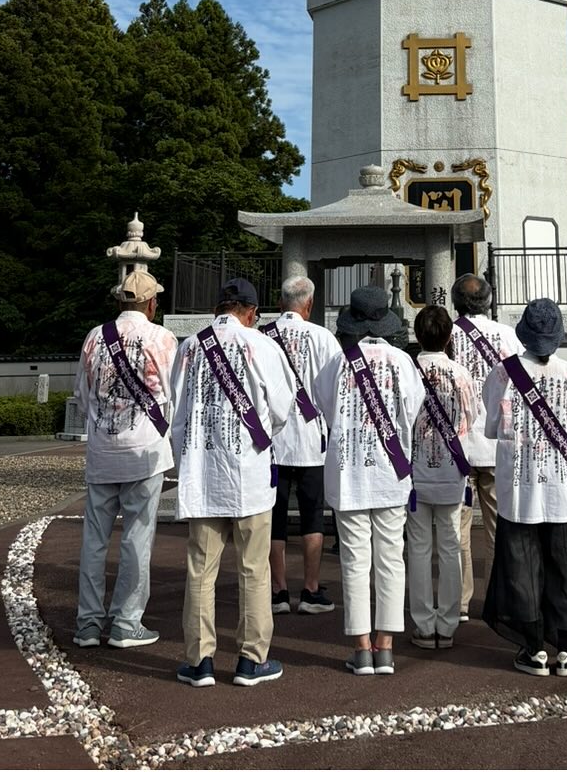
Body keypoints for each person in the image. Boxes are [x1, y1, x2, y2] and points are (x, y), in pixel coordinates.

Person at [169, 277, 294, 688]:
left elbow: (177, 410)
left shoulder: (190, 347)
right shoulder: (262, 346)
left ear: (219, 307)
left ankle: (200, 660)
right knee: (253, 569)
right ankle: (250, 660)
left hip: (202, 474)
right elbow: (281, 408)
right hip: (249, 475)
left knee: (201, 570)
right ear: (252, 312)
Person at [311, 286, 424, 677]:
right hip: (390, 472)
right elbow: (412, 411)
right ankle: (387, 646)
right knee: (391, 558)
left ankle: (361, 648)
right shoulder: (403, 362)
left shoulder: (336, 364)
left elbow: (323, 408)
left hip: (348, 473)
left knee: (354, 560)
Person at [481, 298, 567, 678]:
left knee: (521, 563)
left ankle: (533, 646)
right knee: (563, 564)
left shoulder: (502, 373)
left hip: (518, 481)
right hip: (558, 481)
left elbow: (492, 425)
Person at [71, 267, 177, 649]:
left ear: (119, 300)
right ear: (151, 303)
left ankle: (87, 622)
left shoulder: (95, 338)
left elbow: (82, 395)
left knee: (94, 539)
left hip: (102, 449)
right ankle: (126, 621)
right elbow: (173, 396)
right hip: (144, 451)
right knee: (136, 538)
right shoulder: (162, 338)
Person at [447, 273, 522, 622]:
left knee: (457, 529)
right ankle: (497, 596)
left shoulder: (447, 335)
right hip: (497, 444)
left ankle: (458, 602)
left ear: (455, 302)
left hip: (459, 445)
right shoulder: (508, 336)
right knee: (498, 526)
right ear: (489, 302)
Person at [262, 276, 339, 617]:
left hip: (271, 444)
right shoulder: (323, 337)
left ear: (280, 303)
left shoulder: (261, 337)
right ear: (308, 305)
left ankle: (278, 591)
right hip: (311, 442)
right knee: (312, 516)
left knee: (274, 518)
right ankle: (310, 589)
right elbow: (336, 389)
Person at [406, 306, 475, 650]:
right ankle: (447, 626)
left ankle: (421, 624)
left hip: (414, 472)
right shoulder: (460, 374)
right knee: (449, 545)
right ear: (450, 337)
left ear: (417, 336)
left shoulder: (407, 369)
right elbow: (472, 418)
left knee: (418, 548)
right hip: (452, 470)